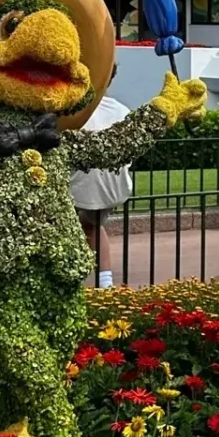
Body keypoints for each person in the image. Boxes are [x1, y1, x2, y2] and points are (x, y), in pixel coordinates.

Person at [68, 80, 133, 287]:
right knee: (92, 226)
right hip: (109, 187)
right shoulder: (120, 110)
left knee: (82, 226)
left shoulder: (69, 110)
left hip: (82, 185)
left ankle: (78, 280)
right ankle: (104, 282)